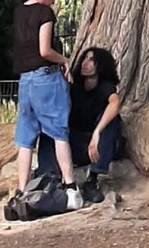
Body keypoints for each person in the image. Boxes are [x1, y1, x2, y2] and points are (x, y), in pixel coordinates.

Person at [12, 0, 83, 212]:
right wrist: (64, 60)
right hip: (46, 78)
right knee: (58, 132)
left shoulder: (19, 12)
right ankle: (71, 187)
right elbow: (44, 50)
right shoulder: (45, 13)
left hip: (25, 81)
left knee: (25, 138)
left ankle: (20, 192)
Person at [39, 45, 123, 191]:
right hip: (76, 144)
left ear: (101, 66)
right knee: (49, 127)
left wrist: (97, 133)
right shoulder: (74, 87)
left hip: (99, 146)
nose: (86, 63)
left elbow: (115, 103)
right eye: (85, 58)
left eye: (91, 60)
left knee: (112, 121)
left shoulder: (105, 87)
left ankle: (93, 180)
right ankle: (48, 176)